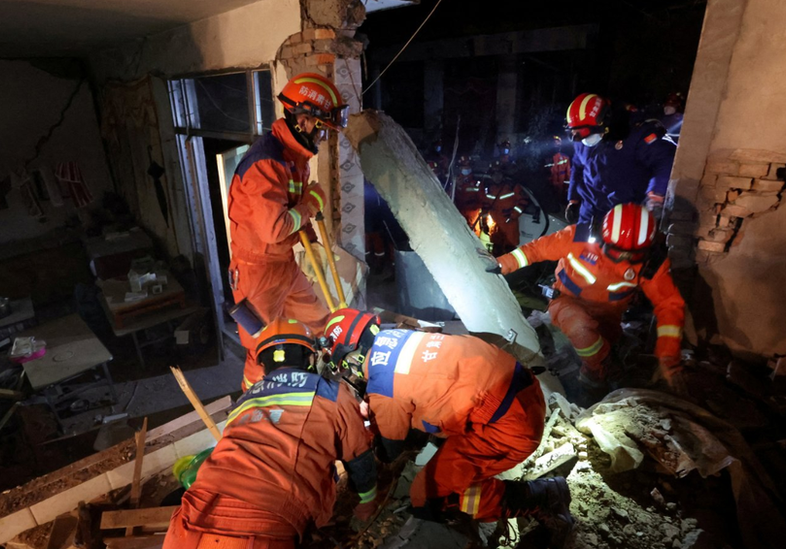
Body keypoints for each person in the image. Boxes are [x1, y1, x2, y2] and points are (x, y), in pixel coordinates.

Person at [322, 309, 574, 545]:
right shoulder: (400, 336)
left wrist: (372, 432)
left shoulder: (383, 389)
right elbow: (418, 386)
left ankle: (544, 497)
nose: (351, 372)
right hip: (522, 391)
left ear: (352, 356)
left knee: (429, 494)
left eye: (345, 366)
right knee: (432, 423)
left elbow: (389, 449)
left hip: (510, 426)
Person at [164, 319, 377, 549]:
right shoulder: (331, 393)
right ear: (310, 357)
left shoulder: (244, 402)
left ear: (263, 364)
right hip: (263, 523)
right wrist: (367, 502)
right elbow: (359, 456)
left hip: (192, 513)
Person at [492, 203, 686, 403]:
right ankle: (603, 372)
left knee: (596, 351)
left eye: (632, 255)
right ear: (602, 235)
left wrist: (668, 357)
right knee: (581, 330)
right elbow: (536, 250)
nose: (624, 258)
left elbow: (669, 305)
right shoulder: (579, 237)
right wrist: (502, 263)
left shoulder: (651, 262)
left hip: (609, 317)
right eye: (617, 251)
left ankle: (593, 381)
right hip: (566, 303)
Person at [227, 72, 349, 390]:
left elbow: (290, 209)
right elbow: (275, 228)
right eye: (322, 130)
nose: (322, 139)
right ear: (304, 120)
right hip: (256, 274)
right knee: (261, 350)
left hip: (283, 266)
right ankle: (254, 403)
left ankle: (333, 380)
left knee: (319, 321)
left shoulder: (294, 158)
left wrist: (306, 226)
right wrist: (311, 203)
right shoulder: (265, 163)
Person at [564, 93, 676, 225]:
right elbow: (577, 166)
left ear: (605, 121)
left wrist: (656, 194)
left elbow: (664, 160)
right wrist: (573, 199)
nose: (584, 140)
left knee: (616, 246)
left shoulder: (635, 134)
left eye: (586, 133)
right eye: (577, 134)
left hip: (625, 215)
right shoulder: (581, 140)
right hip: (588, 213)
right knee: (580, 245)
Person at [481, 162, 530, 256]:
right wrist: (484, 222)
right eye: (494, 174)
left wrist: (513, 215)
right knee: (496, 251)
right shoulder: (489, 188)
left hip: (509, 224)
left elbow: (523, 201)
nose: (497, 177)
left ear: (503, 174)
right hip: (495, 225)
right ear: (491, 176)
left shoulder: (512, 186)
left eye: (499, 174)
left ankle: (511, 270)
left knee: (510, 251)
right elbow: (486, 205)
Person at [452, 155, 484, 236]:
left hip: (473, 212)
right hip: (458, 211)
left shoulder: (477, 183)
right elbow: (450, 196)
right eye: (464, 167)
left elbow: (482, 199)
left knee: (473, 234)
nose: (466, 169)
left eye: (467, 167)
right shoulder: (455, 181)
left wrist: (477, 209)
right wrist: (456, 185)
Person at [546, 135, 572, 205]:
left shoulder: (565, 157)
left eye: (558, 142)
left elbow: (568, 174)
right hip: (550, 187)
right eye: (554, 142)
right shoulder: (547, 157)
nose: (556, 144)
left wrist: (567, 187)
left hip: (561, 187)